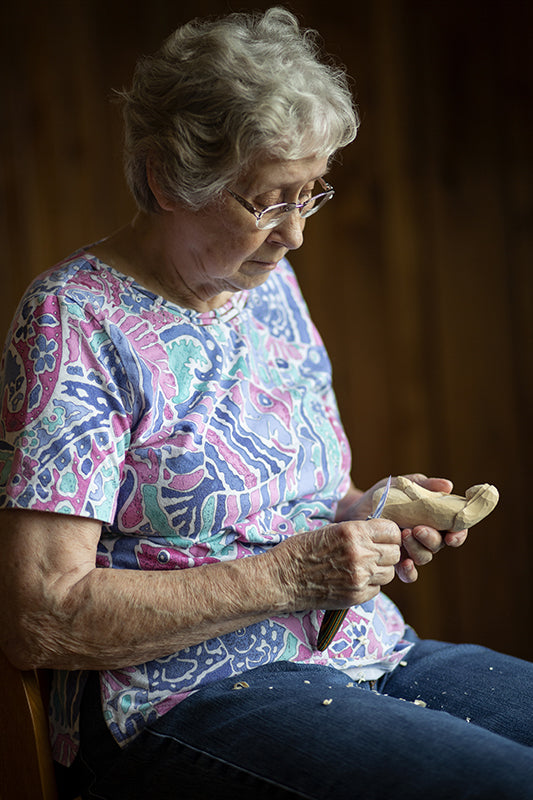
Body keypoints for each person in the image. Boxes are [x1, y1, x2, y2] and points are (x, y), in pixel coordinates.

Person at [0, 8, 531, 799]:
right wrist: (294, 575)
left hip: (361, 650)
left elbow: (299, 506)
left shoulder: (267, 284)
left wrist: (373, 513)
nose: (294, 235)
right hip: (179, 699)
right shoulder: (75, 318)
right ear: (162, 180)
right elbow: (42, 612)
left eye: (309, 195)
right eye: (266, 201)